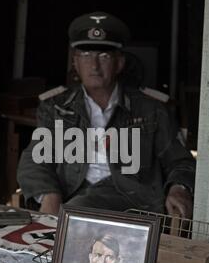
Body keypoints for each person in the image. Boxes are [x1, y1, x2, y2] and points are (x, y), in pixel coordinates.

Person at [17, 11, 195, 217]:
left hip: (135, 202)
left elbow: (180, 160)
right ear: (75, 62)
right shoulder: (57, 107)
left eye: (103, 56)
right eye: (86, 55)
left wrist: (179, 188)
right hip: (71, 195)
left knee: (77, 213)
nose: (94, 65)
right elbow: (36, 158)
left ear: (119, 63)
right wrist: (49, 195)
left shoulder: (150, 109)